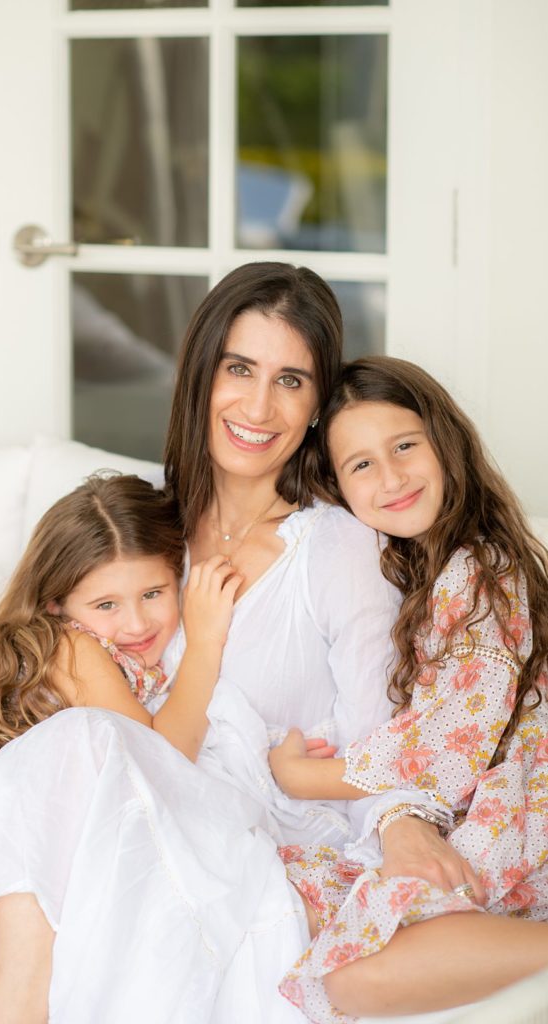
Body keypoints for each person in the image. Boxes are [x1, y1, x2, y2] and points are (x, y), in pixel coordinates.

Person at [0, 263, 413, 1023]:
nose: (258, 405)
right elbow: (33, 625)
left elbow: (383, 741)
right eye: (239, 368)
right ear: (201, 374)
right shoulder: (154, 521)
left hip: (238, 826)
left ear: (315, 406)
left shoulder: (336, 550)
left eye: (291, 380)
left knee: (84, 742)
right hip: (112, 816)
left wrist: (397, 833)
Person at [0, 473, 242, 1024]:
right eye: (107, 603)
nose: (136, 622)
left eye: (154, 593)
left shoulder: (106, 647)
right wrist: (207, 643)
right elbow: (158, 756)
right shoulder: (75, 645)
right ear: (57, 605)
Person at [269, 356, 548, 1022]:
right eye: (361, 464)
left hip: (520, 812)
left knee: (348, 980)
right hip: (488, 808)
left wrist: (307, 778)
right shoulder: (418, 568)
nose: (390, 476)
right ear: (336, 486)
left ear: (443, 443)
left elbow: (451, 741)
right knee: (294, 897)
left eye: (403, 446)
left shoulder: (479, 568)